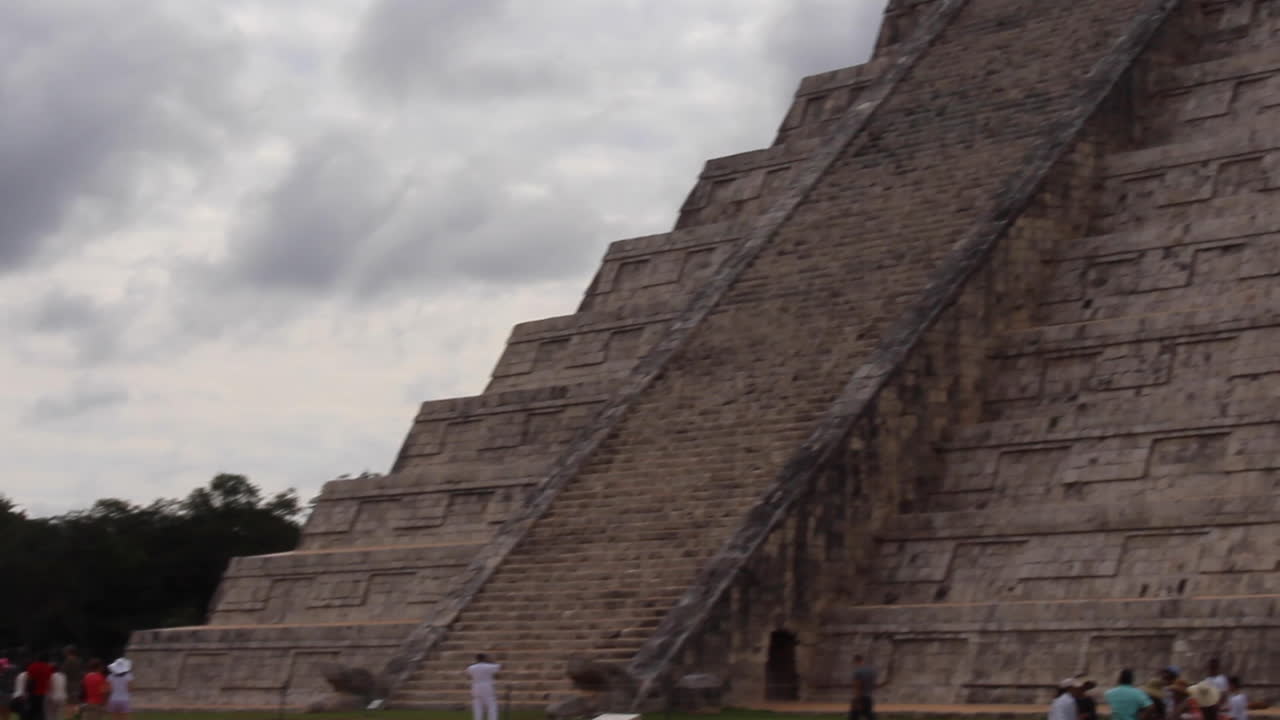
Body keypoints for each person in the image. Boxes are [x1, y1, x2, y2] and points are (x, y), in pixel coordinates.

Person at [465, 654, 500, 720]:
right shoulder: (489, 666)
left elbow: (468, 675)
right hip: (487, 687)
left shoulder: (472, 667)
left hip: (476, 688)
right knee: (491, 707)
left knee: (477, 708)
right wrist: (491, 660)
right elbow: (498, 669)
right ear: (484, 658)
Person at [849, 654, 875, 720]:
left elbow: (857, 686)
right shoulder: (871, 671)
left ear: (856, 661)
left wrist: (857, 700)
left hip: (860, 697)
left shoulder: (857, 672)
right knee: (868, 715)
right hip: (868, 697)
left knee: (854, 716)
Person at [59, 649, 81, 720]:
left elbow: (63, 672)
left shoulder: (68, 661)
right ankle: (76, 716)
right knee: (76, 701)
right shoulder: (78, 661)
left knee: (69, 702)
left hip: (69, 683)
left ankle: (70, 717)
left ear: (68, 652)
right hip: (77, 683)